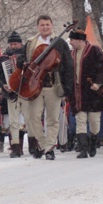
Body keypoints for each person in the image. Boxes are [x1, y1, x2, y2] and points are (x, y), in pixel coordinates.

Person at [18, 15, 74, 160]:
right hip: (35, 85)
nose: (45, 27)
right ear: (38, 27)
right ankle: (43, 144)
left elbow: (68, 65)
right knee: (32, 117)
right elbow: (21, 59)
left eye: (47, 24)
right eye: (42, 25)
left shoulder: (60, 43)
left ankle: (49, 148)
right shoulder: (31, 43)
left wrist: (68, 87)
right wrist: (24, 63)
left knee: (53, 118)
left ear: (52, 25)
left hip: (53, 85)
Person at [68, 29, 103, 159]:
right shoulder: (71, 54)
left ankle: (93, 142)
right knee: (80, 119)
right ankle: (83, 149)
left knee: (94, 121)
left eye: (72, 40)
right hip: (77, 93)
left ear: (80, 40)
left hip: (93, 93)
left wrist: (98, 83)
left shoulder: (95, 51)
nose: (70, 42)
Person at [0, 31, 28, 158]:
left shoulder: (27, 56)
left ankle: (33, 144)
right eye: (11, 44)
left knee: (29, 119)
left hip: (26, 92)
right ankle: (15, 146)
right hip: (11, 93)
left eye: (16, 44)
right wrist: (4, 85)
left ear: (21, 44)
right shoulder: (3, 58)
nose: (13, 46)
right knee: (13, 121)